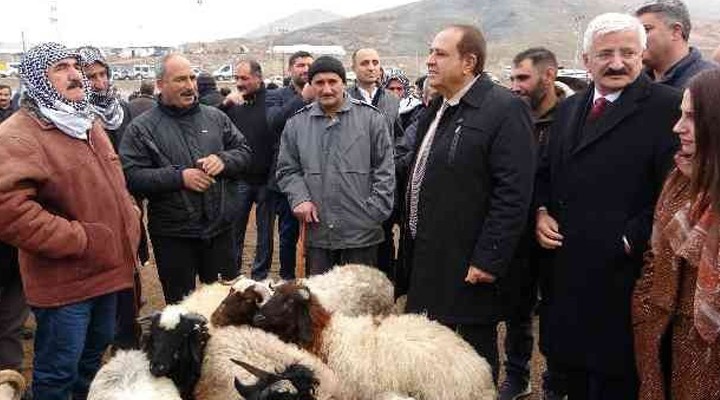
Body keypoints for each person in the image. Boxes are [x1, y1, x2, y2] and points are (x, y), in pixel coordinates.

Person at [534, 13, 682, 399]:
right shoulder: (569, 109)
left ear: (642, 55)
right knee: (575, 376)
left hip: (624, 278)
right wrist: (541, 212)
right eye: (605, 54)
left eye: (627, 53)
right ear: (586, 61)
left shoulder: (667, 107)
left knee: (618, 381)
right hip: (568, 274)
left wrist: (628, 241)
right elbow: (547, 174)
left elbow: (673, 191)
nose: (617, 63)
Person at [0, 42, 141, 400]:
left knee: (91, 364)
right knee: (58, 373)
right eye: (60, 68)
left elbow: (113, 182)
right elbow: (10, 210)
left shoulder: (85, 121)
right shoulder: (19, 134)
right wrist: (80, 239)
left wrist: (129, 215)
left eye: (74, 66)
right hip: (65, 283)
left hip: (108, 273)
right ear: (37, 79)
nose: (75, 74)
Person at [400, 25, 536, 383]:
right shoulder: (438, 107)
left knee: (471, 356)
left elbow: (514, 192)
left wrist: (489, 258)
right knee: (429, 350)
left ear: (468, 62)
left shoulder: (504, 109)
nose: (429, 61)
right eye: (430, 52)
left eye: (440, 54)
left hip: (468, 264)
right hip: (429, 256)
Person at [120, 54, 252, 304]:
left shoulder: (216, 117)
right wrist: (179, 177)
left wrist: (224, 160)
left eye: (192, 78)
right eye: (180, 79)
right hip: (173, 235)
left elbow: (244, 152)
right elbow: (131, 175)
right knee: (182, 310)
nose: (190, 85)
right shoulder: (141, 128)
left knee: (226, 305)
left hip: (219, 231)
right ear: (160, 84)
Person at [632, 68, 720, 400]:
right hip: (664, 338)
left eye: (692, 117)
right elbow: (655, 256)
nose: (677, 127)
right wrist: (644, 308)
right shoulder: (680, 179)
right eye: (680, 114)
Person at [276, 56, 395, 275]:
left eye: (333, 82)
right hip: (319, 232)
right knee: (322, 303)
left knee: (359, 301)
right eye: (319, 83)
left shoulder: (371, 119)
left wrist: (374, 212)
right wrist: (300, 198)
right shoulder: (296, 124)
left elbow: (385, 170)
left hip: (362, 233)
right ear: (311, 86)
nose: (327, 89)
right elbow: (287, 170)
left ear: (343, 82)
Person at [500, 47, 569, 400]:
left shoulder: (573, 117)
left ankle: (555, 382)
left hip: (560, 233)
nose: (515, 86)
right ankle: (517, 374)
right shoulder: (514, 117)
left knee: (557, 312)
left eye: (522, 78)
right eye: (512, 78)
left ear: (549, 76)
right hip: (520, 230)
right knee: (518, 308)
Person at [348, 48, 402, 278]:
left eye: (375, 62)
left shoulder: (391, 100)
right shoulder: (345, 99)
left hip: (385, 182)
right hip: (355, 183)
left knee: (385, 235)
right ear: (354, 68)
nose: (371, 67)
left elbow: (397, 134)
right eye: (365, 63)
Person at [219, 59, 276, 280]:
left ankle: (259, 277)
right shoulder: (233, 105)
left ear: (258, 78)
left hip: (266, 180)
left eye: (244, 78)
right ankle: (233, 276)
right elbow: (209, 121)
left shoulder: (272, 101)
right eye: (237, 78)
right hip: (240, 180)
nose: (239, 83)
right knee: (234, 232)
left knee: (265, 235)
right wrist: (225, 103)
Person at [266, 50, 315, 280]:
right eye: (300, 65)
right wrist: (302, 98)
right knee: (288, 233)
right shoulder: (276, 96)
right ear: (290, 69)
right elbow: (274, 123)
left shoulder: (322, 94)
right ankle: (287, 278)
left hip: (316, 174)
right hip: (286, 176)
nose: (305, 69)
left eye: (309, 65)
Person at [636, 0, 717, 88]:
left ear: (676, 32)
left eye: (646, 30)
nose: (636, 39)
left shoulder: (711, 82)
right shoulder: (634, 78)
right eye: (635, 32)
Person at [77, 46, 132, 151]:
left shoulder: (123, 109)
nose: (100, 84)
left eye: (102, 74)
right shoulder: (77, 116)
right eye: (91, 77)